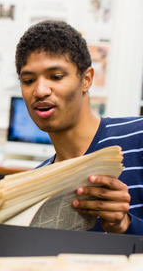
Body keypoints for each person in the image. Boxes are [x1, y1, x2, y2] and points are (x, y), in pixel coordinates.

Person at [15, 20, 142, 235]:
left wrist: (126, 224)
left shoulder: (138, 139)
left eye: (56, 77)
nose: (40, 91)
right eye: (28, 80)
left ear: (86, 79)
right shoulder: (35, 184)